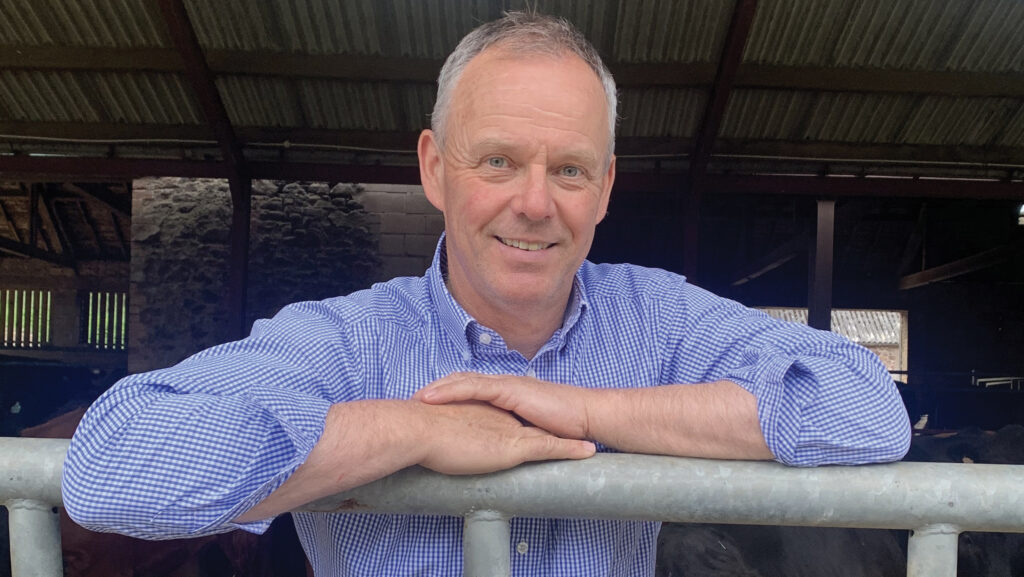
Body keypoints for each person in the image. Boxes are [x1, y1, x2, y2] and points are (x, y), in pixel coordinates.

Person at [63, 11, 911, 576]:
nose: (535, 203)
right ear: (434, 166)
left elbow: (863, 407)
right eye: (497, 160)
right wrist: (419, 429)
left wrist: (579, 409)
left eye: (569, 170)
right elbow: (114, 464)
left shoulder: (660, 318)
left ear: (607, 187)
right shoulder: (348, 341)